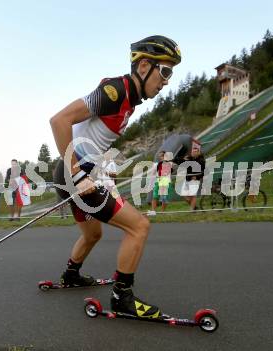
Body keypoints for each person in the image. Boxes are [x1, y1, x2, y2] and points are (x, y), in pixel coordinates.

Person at [50, 35, 181, 318]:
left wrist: (99, 165)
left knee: (93, 234)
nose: (167, 81)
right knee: (139, 227)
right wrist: (77, 173)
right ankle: (123, 297)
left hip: (79, 171)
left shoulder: (129, 100)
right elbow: (59, 120)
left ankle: (71, 274)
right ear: (144, 66)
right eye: (166, 71)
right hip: (75, 173)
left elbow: (91, 136)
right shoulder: (116, 91)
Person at [148, 151, 173, 216]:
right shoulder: (156, 164)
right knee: (155, 196)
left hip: (166, 182)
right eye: (160, 156)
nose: (161, 157)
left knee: (164, 198)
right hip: (158, 181)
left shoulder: (170, 163)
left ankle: (162, 212)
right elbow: (152, 173)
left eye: (162, 155)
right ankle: (153, 211)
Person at [181, 147, 205, 211]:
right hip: (187, 178)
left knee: (193, 195)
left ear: (198, 153)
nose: (193, 153)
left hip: (195, 180)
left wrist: (197, 177)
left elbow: (203, 172)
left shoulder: (201, 161)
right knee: (184, 195)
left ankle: (192, 210)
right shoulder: (189, 158)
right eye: (193, 152)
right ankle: (194, 207)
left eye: (195, 151)